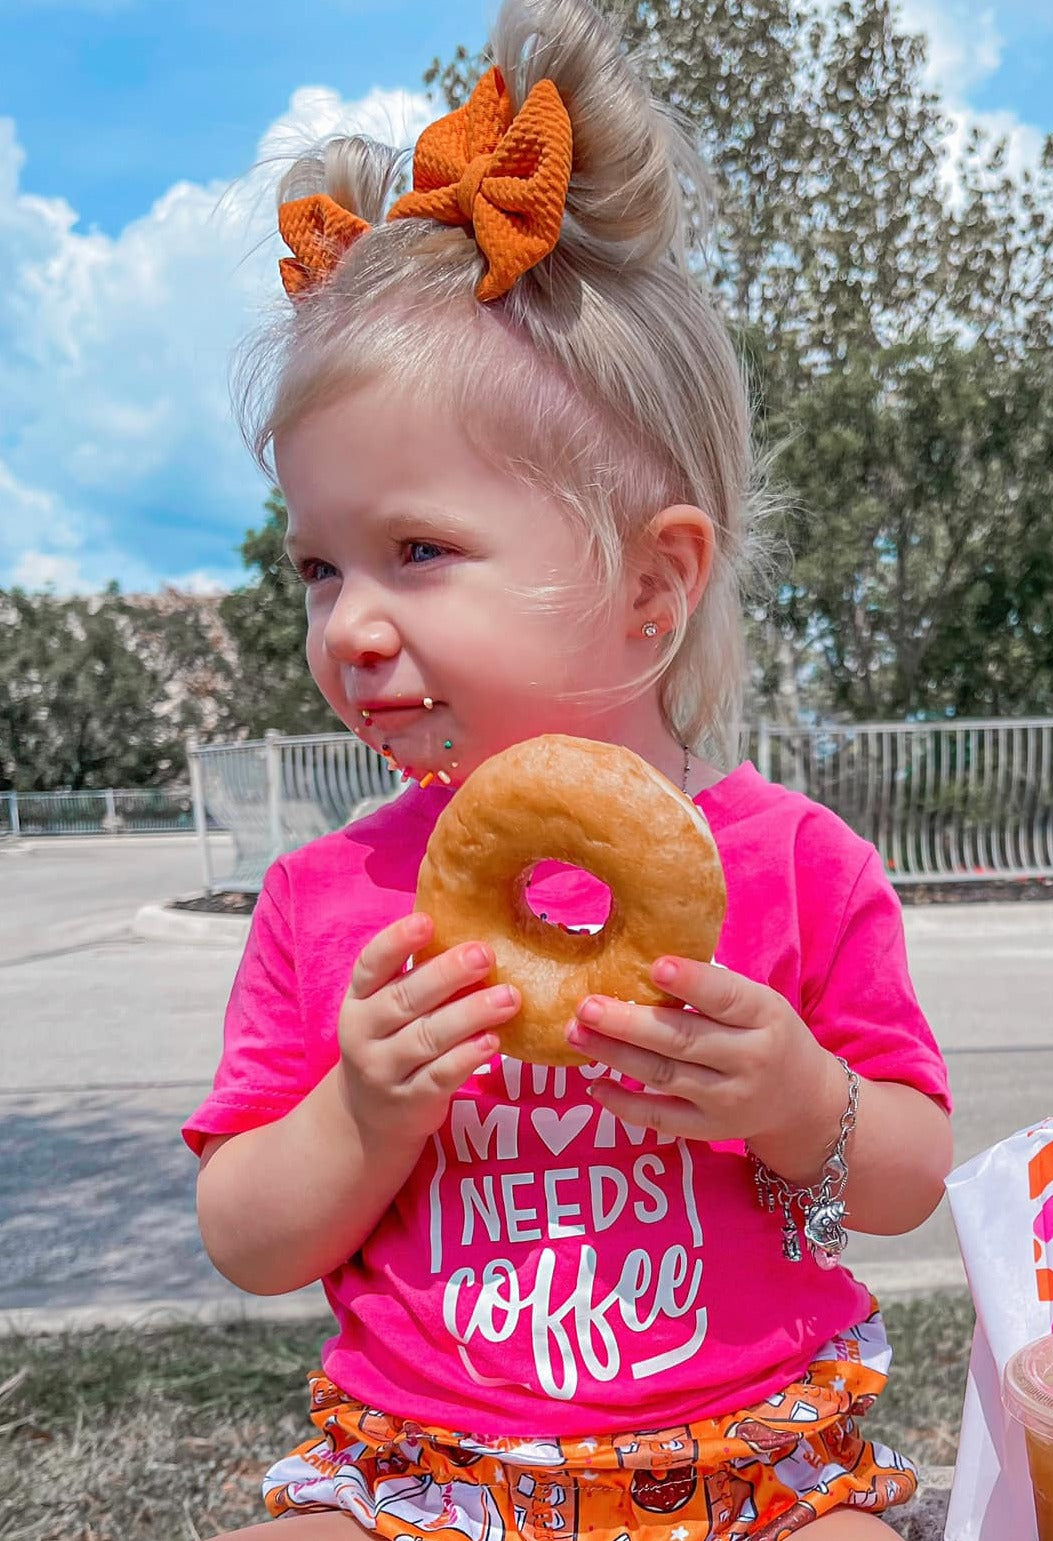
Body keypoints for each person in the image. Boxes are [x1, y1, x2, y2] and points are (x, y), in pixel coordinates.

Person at [184, 0, 954, 1535]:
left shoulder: (795, 864)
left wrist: (800, 1099)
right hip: (425, 1465)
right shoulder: (324, 898)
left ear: (654, 585)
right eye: (320, 570)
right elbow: (249, 1238)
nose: (354, 626)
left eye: (416, 551)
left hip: (744, 1452)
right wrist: (363, 1109)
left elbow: (908, 1174)